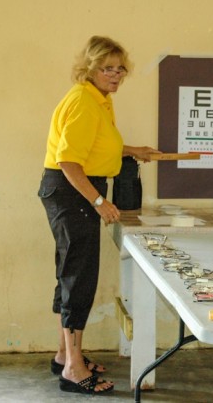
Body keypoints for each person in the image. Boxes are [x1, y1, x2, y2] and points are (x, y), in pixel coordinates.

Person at [38, 36, 160, 394]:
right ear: (90, 68)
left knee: (71, 271)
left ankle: (65, 354)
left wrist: (132, 150)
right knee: (79, 275)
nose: (116, 74)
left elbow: (96, 144)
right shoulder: (83, 102)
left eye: (121, 68)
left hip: (73, 192)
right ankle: (74, 371)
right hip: (72, 191)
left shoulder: (99, 101)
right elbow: (68, 161)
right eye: (108, 68)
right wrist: (97, 202)